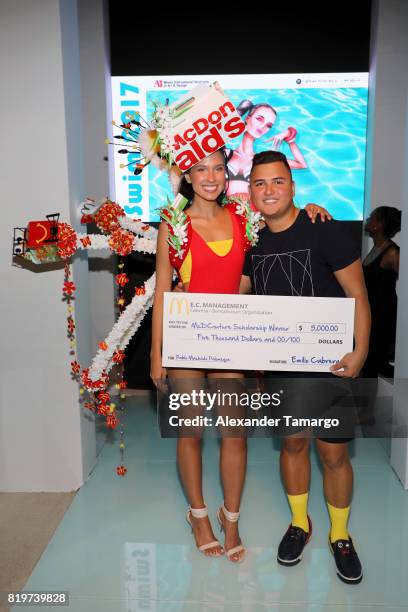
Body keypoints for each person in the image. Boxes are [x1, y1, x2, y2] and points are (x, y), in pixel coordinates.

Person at [150, 148, 330, 563]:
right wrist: (157, 354)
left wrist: (312, 210)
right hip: (187, 340)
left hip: (231, 341)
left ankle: (230, 517)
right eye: (201, 169)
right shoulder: (173, 223)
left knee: (236, 436)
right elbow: (162, 291)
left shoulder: (243, 217)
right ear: (188, 176)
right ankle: (198, 515)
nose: (211, 177)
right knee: (190, 433)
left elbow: (282, 216)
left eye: (218, 168)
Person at [240, 150, 371, 584]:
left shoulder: (324, 230)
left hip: (330, 364)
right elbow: (235, 301)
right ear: (251, 192)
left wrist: (361, 350)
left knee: (333, 452)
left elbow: (358, 296)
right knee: (293, 445)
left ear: (293, 186)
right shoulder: (251, 241)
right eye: (260, 183)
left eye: (277, 181)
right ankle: (300, 523)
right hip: (281, 368)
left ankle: (340, 534)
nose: (269, 190)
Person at [226, 100, 307, 202]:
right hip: (224, 213)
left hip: (253, 214)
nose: (263, 126)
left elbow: (301, 164)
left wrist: (288, 135)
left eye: (268, 125)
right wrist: (237, 114)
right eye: (259, 119)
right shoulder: (225, 154)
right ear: (247, 118)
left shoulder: (262, 160)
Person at [363, 206, 401, 377]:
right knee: (371, 362)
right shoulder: (376, 248)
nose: (367, 220)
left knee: (374, 362)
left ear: (379, 225)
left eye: (371, 218)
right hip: (372, 312)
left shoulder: (393, 253)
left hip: (383, 314)